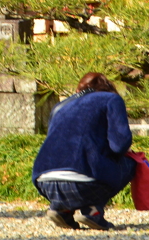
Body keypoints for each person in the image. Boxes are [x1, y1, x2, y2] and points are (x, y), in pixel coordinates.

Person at [33, 72, 137, 231]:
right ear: (107, 88)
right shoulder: (110, 99)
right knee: (130, 163)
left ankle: (61, 209)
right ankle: (92, 211)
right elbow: (120, 145)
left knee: (79, 168)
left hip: (44, 181)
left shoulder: (60, 106)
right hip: (83, 183)